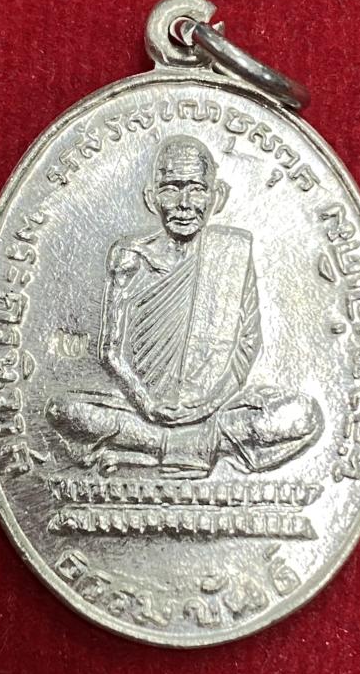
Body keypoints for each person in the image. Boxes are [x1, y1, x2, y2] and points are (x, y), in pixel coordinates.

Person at [47, 136, 322, 477]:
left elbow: (248, 344)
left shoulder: (231, 253)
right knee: (64, 410)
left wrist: (209, 405)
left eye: (197, 189)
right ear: (151, 197)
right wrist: (147, 404)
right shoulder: (130, 256)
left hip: (216, 410)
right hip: (141, 409)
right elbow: (109, 352)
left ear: (217, 196)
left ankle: (161, 447)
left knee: (303, 415)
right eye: (171, 189)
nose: (184, 204)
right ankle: (185, 446)